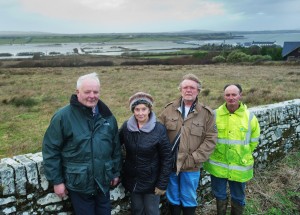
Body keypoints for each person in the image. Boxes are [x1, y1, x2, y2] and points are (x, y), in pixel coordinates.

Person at [42, 72, 122, 215]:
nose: (92, 95)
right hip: (79, 184)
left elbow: (115, 147)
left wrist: (115, 172)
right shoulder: (63, 117)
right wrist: (57, 181)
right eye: (87, 92)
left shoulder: (108, 117)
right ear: (77, 92)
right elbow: (51, 150)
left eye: (95, 91)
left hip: (103, 182)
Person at [159, 74, 217, 215]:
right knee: (173, 197)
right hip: (171, 164)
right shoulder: (168, 110)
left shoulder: (206, 114)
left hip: (191, 165)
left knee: (189, 198)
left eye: (192, 87)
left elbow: (211, 139)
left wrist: (194, 158)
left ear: (198, 91)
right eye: (185, 87)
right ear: (181, 90)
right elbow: (158, 134)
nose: (188, 90)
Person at [203, 84, 260, 215]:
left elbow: (254, 140)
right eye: (228, 95)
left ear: (240, 95)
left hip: (239, 166)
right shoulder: (214, 115)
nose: (231, 98)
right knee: (219, 195)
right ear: (224, 96)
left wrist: (242, 154)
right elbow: (207, 137)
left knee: (238, 198)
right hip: (218, 166)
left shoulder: (250, 117)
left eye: (234, 94)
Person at [119, 92, 172, 215]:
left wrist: (162, 184)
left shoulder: (159, 129)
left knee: (152, 211)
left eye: (144, 109)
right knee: (137, 210)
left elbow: (167, 158)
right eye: (137, 109)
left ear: (149, 109)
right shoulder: (127, 127)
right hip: (133, 179)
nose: (140, 113)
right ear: (133, 110)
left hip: (152, 181)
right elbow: (115, 145)